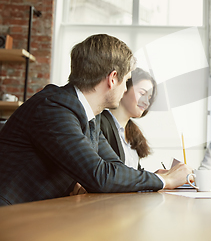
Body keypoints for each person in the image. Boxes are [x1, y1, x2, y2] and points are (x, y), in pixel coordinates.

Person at [0, 34, 191, 206]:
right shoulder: (54, 108)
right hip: (10, 216)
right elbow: (100, 176)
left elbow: (114, 167)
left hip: (40, 213)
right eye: (126, 81)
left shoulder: (90, 116)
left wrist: (150, 177)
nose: (125, 89)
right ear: (113, 78)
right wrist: (164, 181)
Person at [101, 68, 156, 170]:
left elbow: (133, 176)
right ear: (124, 87)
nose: (146, 103)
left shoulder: (132, 134)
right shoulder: (100, 124)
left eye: (149, 98)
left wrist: (158, 177)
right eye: (142, 94)